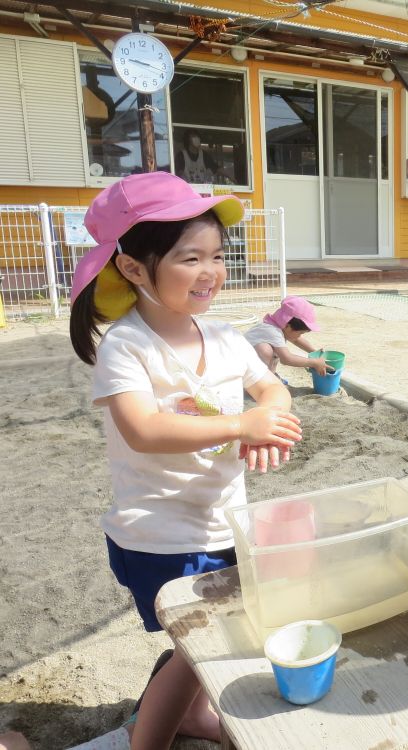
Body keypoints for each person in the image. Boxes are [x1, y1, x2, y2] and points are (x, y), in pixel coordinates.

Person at [69, 171, 303, 749]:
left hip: (223, 522)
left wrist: (268, 420)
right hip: (161, 535)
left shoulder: (224, 337)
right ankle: (146, 743)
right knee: (200, 648)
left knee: (204, 642)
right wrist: (238, 424)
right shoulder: (128, 347)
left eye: (218, 256)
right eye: (189, 258)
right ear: (131, 267)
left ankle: (196, 719)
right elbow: (144, 430)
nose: (210, 272)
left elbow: (272, 388)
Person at [243, 296, 333, 381]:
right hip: (241, 369)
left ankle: (270, 376)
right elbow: (286, 359)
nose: (300, 336)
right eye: (300, 333)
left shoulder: (279, 327)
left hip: (249, 368)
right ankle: (258, 382)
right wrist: (314, 362)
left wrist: (315, 352)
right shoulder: (272, 331)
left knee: (273, 351)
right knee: (265, 350)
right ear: (287, 326)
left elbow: (296, 339)